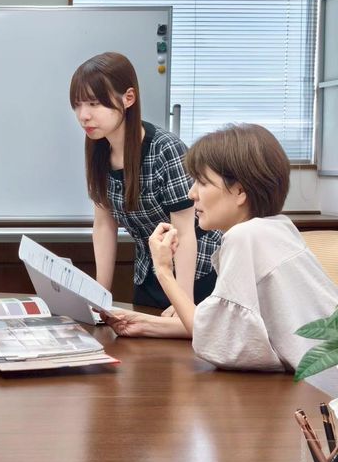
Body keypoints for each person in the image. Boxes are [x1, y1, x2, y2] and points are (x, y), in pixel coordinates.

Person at [110, 124, 338, 385]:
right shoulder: (277, 227)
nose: (191, 193)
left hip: (322, 393)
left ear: (240, 191)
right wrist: (146, 325)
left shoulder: (245, 237)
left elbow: (220, 345)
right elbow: (223, 329)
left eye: (202, 182)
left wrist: (163, 270)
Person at [70, 52, 221, 332]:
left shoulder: (165, 148)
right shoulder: (98, 147)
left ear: (128, 98)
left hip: (196, 275)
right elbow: (103, 225)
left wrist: (183, 300)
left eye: (93, 103)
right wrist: (99, 296)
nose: (83, 115)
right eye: (78, 105)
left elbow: (185, 232)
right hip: (149, 274)